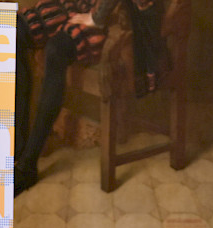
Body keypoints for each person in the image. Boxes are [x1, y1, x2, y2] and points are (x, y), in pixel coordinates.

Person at [15, 0, 163, 195]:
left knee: (56, 49)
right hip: (74, 5)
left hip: (112, 19)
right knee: (13, 31)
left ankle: (27, 166)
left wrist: (96, 17)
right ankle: (17, 148)